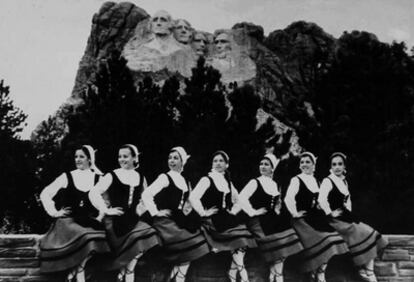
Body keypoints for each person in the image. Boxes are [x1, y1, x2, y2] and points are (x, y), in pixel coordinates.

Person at [89, 144, 160, 282]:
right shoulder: (112, 175)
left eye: (125, 156)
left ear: (134, 158)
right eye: (120, 156)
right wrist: (106, 210)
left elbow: (145, 198)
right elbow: (94, 192)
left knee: (150, 236)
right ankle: (126, 272)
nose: (122, 159)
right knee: (137, 242)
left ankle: (126, 271)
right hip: (115, 222)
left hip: (133, 220)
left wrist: (139, 211)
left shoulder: (140, 177)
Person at [39, 145, 109, 282]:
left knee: (100, 238)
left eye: (81, 156)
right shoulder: (67, 176)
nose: (77, 159)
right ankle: (79, 272)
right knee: (85, 236)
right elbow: (45, 193)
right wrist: (55, 212)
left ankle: (76, 269)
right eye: (76, 156)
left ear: (89, 159)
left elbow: (106, 202)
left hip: (89, 221)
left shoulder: (99, 178)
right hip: (68, 222)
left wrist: (100, 216)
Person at [142, 146, 210, 282]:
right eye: (170, 158)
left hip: (178, 219)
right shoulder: (164, 177)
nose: (172, 161)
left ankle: (175, 277)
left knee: (197, 242)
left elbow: (187, 203)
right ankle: (175, 278)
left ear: (182, 161)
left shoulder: (184, 180)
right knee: (190, 245)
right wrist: (156, 212)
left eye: (175, 158)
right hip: (165, 222)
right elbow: (146, 194)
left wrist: (199, 213)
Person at [318, 152, 388, 282]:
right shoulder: (328, 181)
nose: (337, 167)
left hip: (344, 217)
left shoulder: (343, 181)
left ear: (344, 166)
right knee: (360, 232)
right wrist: (330, 212)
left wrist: (348, 213)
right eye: (334, 164)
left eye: (340, 164)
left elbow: (347, 200)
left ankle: (367, 270)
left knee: (370, 232)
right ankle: (368, 272)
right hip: (334, 220)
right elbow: (321, 199)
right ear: (331, 167)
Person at [189, 150, 257, 282]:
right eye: (215, 161)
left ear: (227, 164)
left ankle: (233, 273)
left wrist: (233, 211)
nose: (218, 163)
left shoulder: (227, 182)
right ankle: (242, 277)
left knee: (243, 239)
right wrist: (203, 212)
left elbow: (239, 200)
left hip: (226, 218)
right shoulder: (207, 179)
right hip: (214, 220)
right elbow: (193, 197)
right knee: (239, 240)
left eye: (221, 161)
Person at [284, 152, 349, 282]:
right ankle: (315, 272)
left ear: (314, 165)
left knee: (335, 238)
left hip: (315, 219)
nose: (304, 164)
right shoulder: (296, 180)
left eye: (308, 162)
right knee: (325, 240)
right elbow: (288, 198)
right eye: (302, 162)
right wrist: (295, 213)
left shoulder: (317, 181)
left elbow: (321, 200)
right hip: (301, 221)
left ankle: (320, 270)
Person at [239, 153, 304, 282]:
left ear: (272, 168)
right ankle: (277, 275)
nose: (263, 166)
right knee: (275, 242)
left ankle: (275, 271)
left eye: (266, 164)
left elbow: (274, 204)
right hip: (258, 221)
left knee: (291, 238)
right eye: (261, 164)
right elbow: (241, 197)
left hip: (272, 220)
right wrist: (252, 211)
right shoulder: (254, 182)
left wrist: (276, 210)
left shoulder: (274, 184)